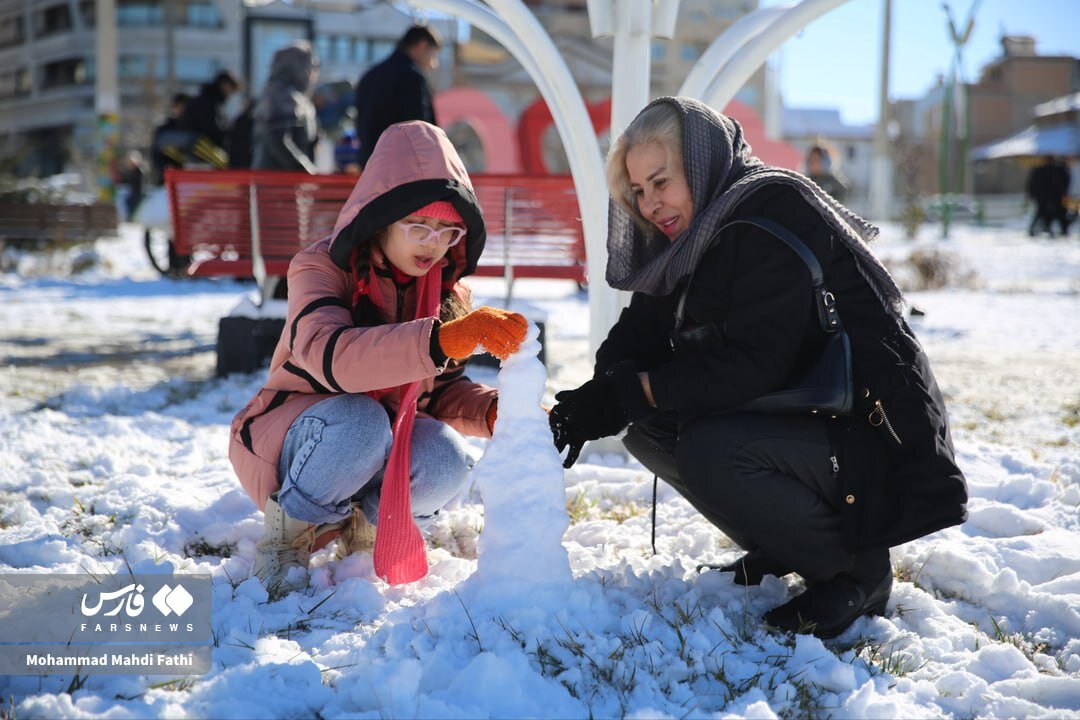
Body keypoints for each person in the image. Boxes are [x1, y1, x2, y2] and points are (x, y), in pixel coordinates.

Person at [548, 97, 968, 639]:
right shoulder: (697, 233)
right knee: (647, 425)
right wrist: (602, 395)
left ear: (699, 165)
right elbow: (640, 331)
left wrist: (637, 389)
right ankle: (784, 544)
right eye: (638, 191)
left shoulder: (768, 213)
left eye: (661, 181)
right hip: (804, 421)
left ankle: (855, 571)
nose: (650, 203)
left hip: (868, 435)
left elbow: (754, 365)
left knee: (708, 449)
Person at [230, 120, 528, 598]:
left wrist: (499, 410)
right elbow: (333, 357)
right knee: (363, 421)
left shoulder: (447, 291)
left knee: (448, 455)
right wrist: (441, 340)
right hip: (299, 438)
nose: (433, 245)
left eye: (448, 232)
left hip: (378, 443)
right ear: (379, 221)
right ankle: (287, 541)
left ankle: (367, 536)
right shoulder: (320, 268)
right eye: (418, 227)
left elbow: (442, 390)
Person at [354, 25, 440, 168]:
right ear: (422, 45)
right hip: (402, 167)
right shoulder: (413, 77)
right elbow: (420, 128)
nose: (433, 64)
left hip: (370, 165)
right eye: (433, 54)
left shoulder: (370, 76)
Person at [252, 42, 319, 173]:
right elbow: (277, 139)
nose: (313, 72)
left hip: (279, 182)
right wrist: (306, 170)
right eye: (311, 65)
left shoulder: (287, 94)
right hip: (278, 184)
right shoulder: (282, 95)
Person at [177, 69, 240, 168]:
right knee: (227, 164)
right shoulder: (210, 102)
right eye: (231, 89)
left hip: (193, 144)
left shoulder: (205, 99)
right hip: (200, 144)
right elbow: (213, 128)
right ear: (224, 85)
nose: (230, 94)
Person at [149, 92, 191, 185]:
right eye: (179, 107)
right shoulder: (166, 130)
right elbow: (156, 156)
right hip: (170, 180)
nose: (183, 111)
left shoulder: (194, 130)